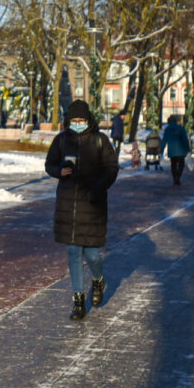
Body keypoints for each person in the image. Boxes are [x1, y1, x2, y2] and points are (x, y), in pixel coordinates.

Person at [44, 99, 119, 321]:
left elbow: (112, 168)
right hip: (68, 204)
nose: (78, 123)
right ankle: (78, 298)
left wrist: (99, 186)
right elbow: (49, 164)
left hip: (93, 203)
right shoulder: (61, 140)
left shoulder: (100, 140)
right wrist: (60, 171)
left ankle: (98, 279)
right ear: (68, 121)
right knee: (73, 251)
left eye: (81, 120)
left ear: (88, 120)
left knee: (93, 254)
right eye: (74, 120)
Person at [162, 114, 191, 186]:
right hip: (181, 150)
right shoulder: (180, 128)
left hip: (172, 151)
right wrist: (187, 148)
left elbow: (164, 140)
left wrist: (161, 150)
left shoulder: (167, 129)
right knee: (181, 164)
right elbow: (185, 139)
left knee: (173, 165)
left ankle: (175, 177)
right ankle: (178, 176)